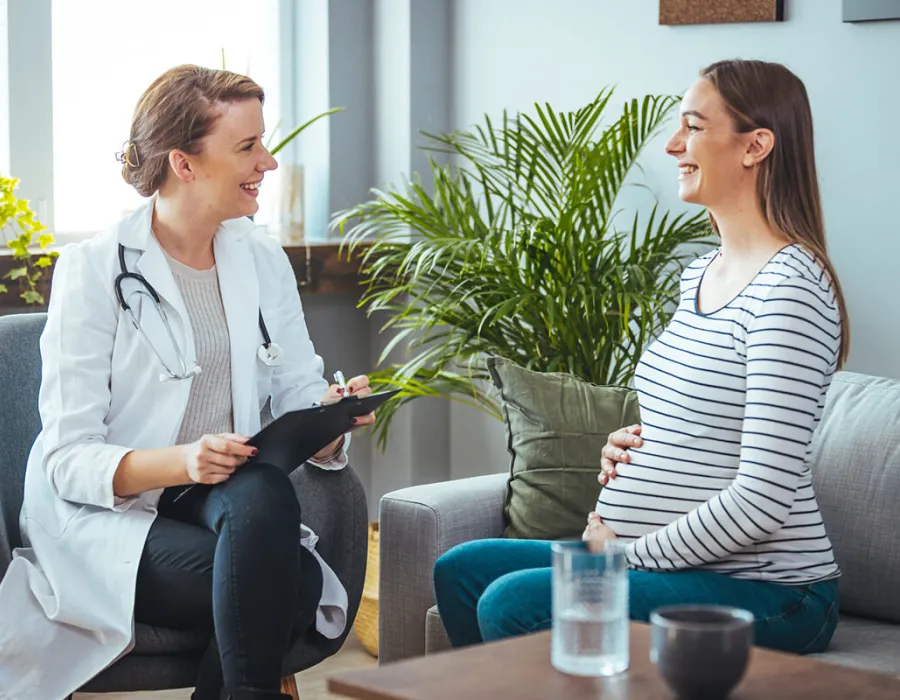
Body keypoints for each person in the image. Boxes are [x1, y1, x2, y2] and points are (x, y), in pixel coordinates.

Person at [433, 59, 849, 655]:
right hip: (676, 565)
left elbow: (763, 497)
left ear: (755, 145)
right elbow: (702, 422)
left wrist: (623, 556)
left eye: (694, 127)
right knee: (463, 569)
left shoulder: (791, 288)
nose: (673, 144)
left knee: (512, 602)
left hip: (772, 591)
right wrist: (635, 446)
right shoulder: (698, 273)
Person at [0, 65, 375, 700]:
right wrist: (186, 460)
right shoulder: (94, 270)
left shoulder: (260, 258)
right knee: (290, 587)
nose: (270, 162)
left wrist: (329, 425)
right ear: (185, 163)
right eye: (248, 147)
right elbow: (66, 460)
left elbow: (295, 391)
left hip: (228, 493)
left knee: (267, 502)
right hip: (111, 511)